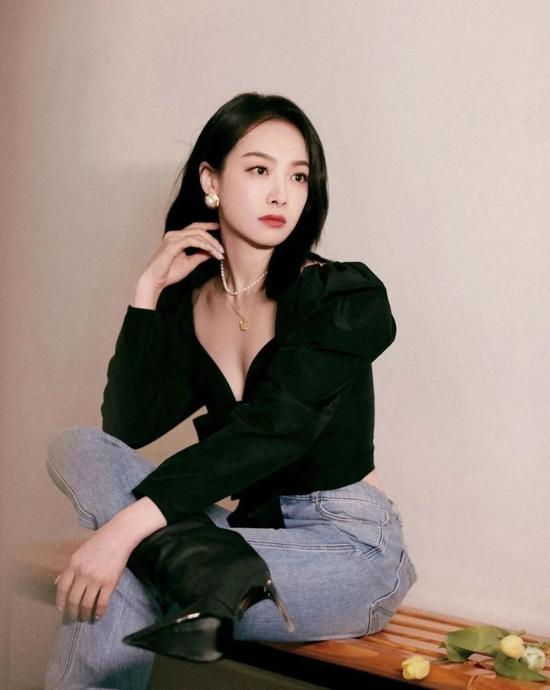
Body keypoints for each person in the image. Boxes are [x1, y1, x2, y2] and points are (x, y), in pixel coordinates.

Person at [44, 92, 418, 689]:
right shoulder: (193, 302)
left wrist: (122, 532)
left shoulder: (343, 298)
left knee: (124, 571)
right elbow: (127, 427)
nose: (281, 194)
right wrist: (147, 293)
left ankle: (187, 567)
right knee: (78, 445)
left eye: (298, 176)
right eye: (259, 169)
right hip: (242, 538)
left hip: (347, 546)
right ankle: (207, 576)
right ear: (210, 181)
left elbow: (277, 428)